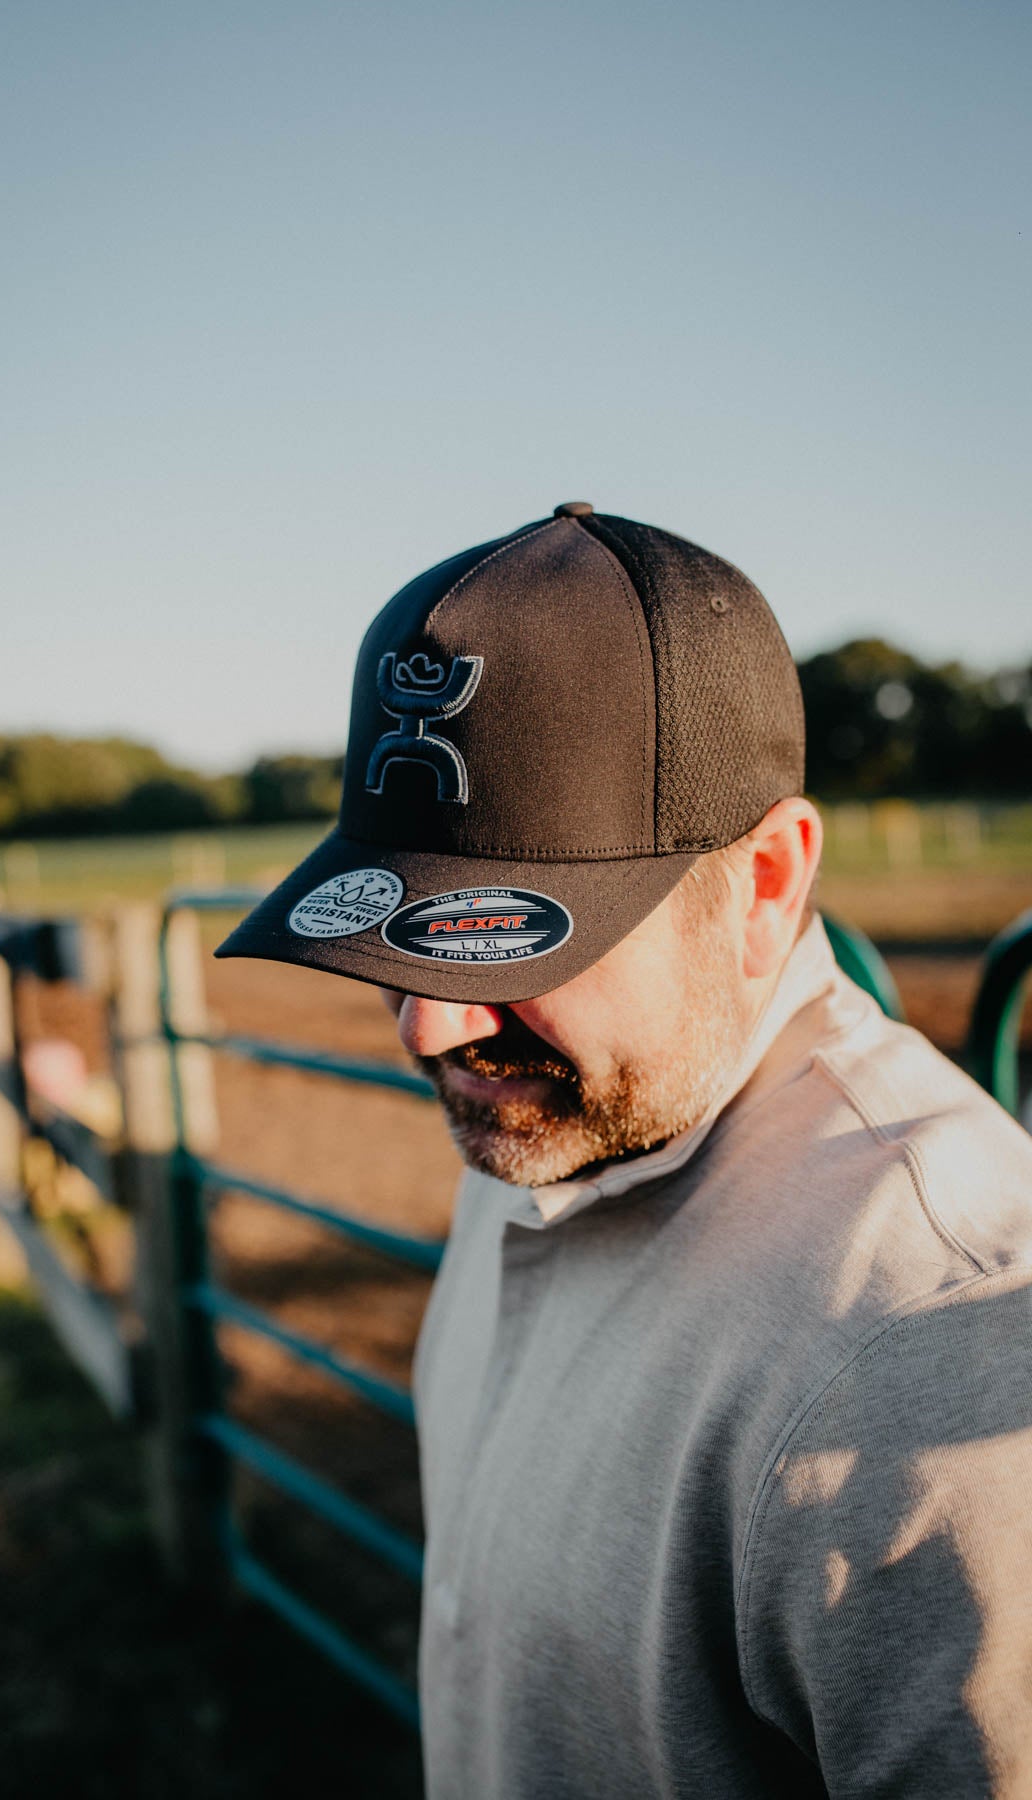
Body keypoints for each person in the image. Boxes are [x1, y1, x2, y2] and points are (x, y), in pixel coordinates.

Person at [215, 503, 1032, 1798]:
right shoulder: (557, 1123)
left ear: (766, 882)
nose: (430, 1026)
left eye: (509, 940)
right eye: (401, 945)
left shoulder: (925, 1359)